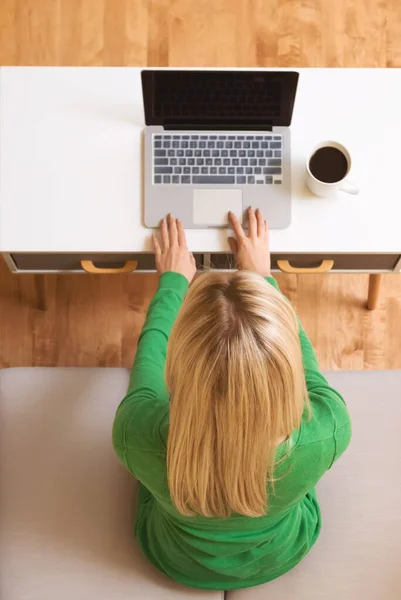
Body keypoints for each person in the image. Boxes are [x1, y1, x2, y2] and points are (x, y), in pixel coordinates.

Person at [112, 208, 351, 591]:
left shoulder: (136, 434)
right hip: (283, 551)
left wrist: (173, 283)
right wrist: (263, 276)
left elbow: (148, 359)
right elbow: (305, 361)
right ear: (286, 370)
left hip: (172, 556)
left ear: (179, 367)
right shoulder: (328, 426)